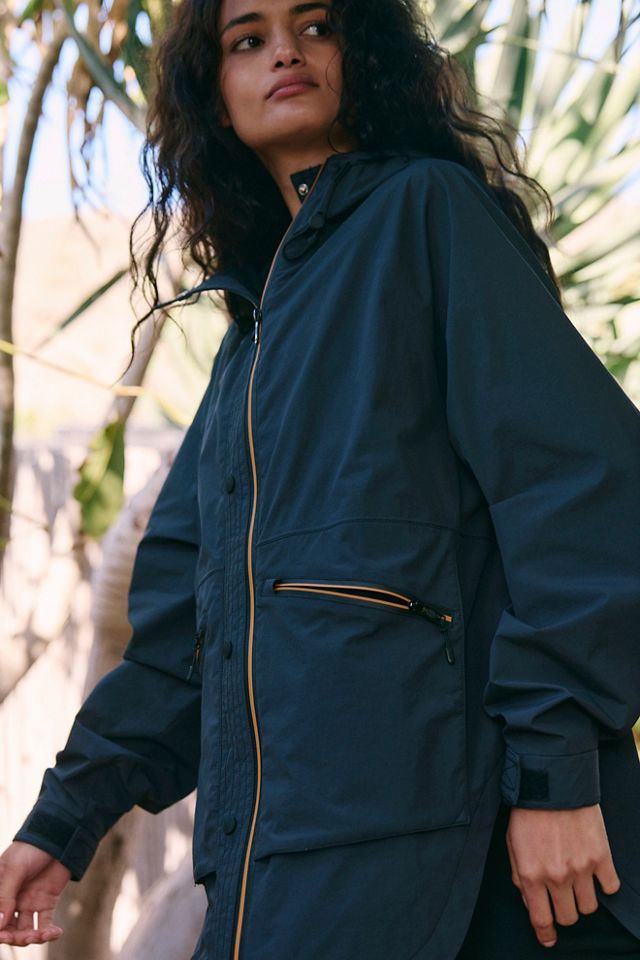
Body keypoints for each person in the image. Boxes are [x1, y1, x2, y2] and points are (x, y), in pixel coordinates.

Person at [1, 1, 640, 957]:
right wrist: (61, 824)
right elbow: (179, 639)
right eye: (247, 40)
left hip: (477, 868)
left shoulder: (427, 212)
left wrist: (556, 777)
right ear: (214, 95)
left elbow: (578, 485)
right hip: (284, 884)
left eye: (317, 26)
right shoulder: (248, 346)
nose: (285, 53)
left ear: (365, 54)